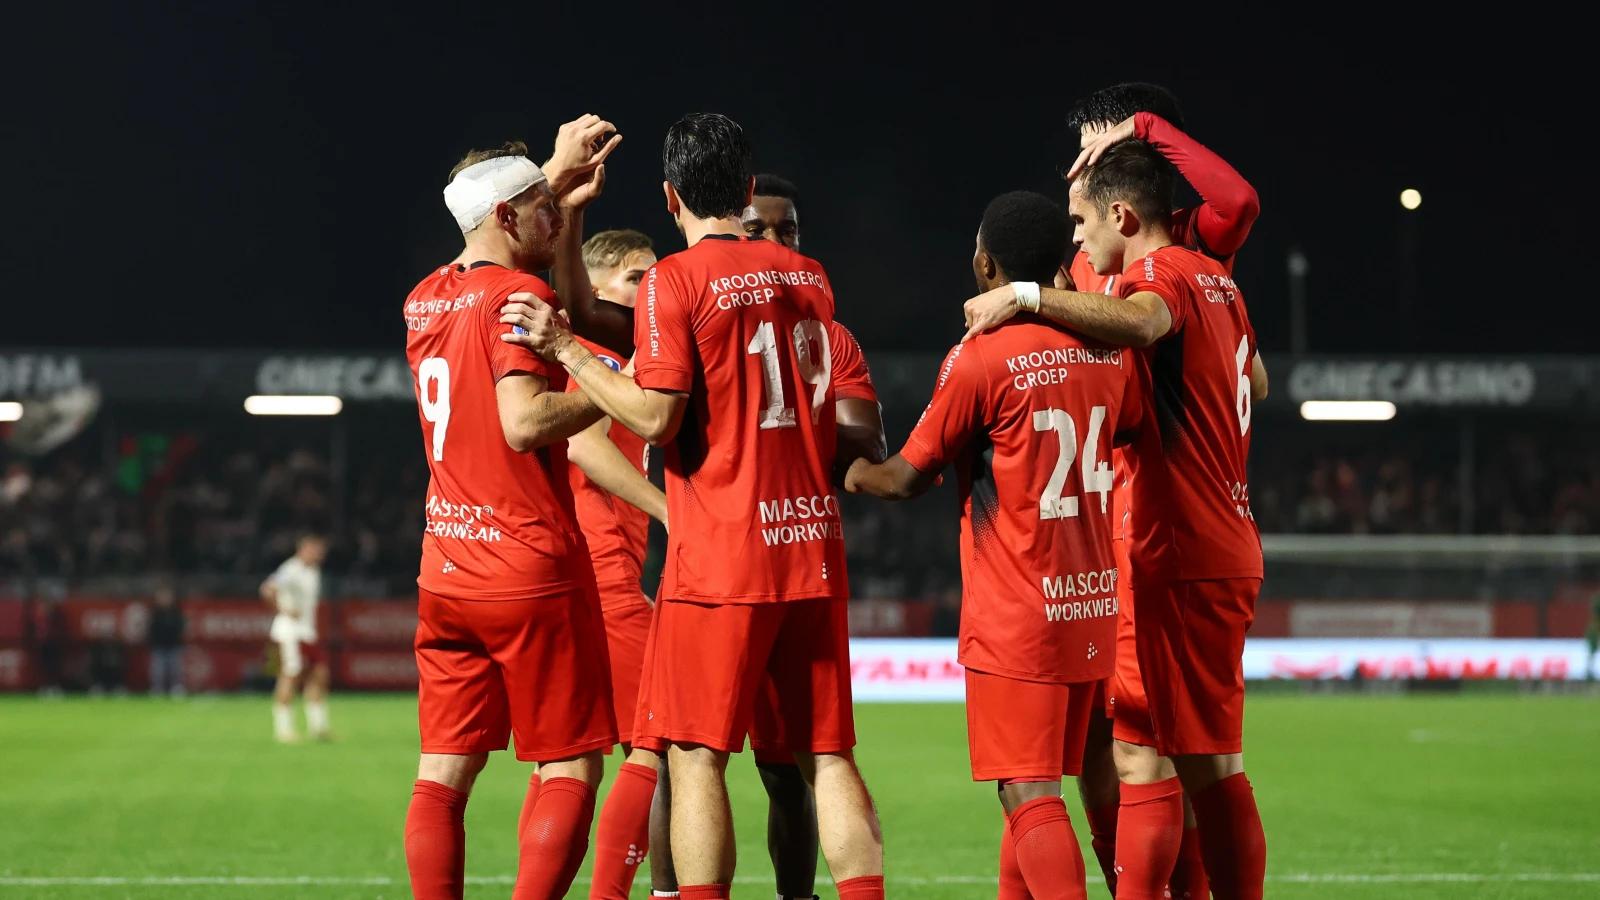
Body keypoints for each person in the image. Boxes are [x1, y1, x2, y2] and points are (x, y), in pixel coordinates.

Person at [499, 112, 886, 900]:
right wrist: (572, 222)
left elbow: (652, 417)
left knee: (694, 754)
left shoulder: (676, 279)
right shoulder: (809, 276)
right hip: (810, 546)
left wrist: (563, 350)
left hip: (720, 553)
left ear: (670, 195)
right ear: (747, 191)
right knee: (828, 756)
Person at [965, 81, 1264, 899]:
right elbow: (1256, 381)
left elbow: (1232, 207)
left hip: (1154, 538)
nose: (1078, 172)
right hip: (1101, 543)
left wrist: (1026, 303)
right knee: (1081, 756)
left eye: (1095, 153)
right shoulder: (1123, 269)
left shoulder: (1168, 267)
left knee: (1141, 751)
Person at [847, 190, 1140, 900]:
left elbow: (905, 478)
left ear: (985, 264)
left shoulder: (981, 357)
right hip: (1090, 604)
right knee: (1035, 788)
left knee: (1028, 792)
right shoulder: (1109, 352)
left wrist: (844, 468)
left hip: (1019, 613)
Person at [401, 117, 621, 900]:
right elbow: (523, 423)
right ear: (505, 216)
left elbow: (496, 230)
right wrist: (610, 383)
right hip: (526, 568)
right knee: (569, 764)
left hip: (446, 568)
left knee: (443, 774)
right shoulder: (518, 294)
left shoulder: (424, 298)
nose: (554, 221)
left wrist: (553, 185)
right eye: (542, 209)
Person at [262, 533, 330, 742]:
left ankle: (318, 727)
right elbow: (267, 588)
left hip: (307, 632)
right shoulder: (291, 569)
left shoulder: (313, 571)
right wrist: (281, 609)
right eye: (315, 550)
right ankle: (283, 729)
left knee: (318, 675)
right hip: (289, 632)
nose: (319, 554)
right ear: (304, 549)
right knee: (289, 676)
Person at [147, 583, 185, 697]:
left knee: (175, 669)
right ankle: (157, 689)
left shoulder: (176, 612)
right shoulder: (155, 613)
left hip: (174, 645)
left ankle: (176, 688)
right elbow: (151, 629)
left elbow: (181, 627)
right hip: (159, 646)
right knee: (157, 671)